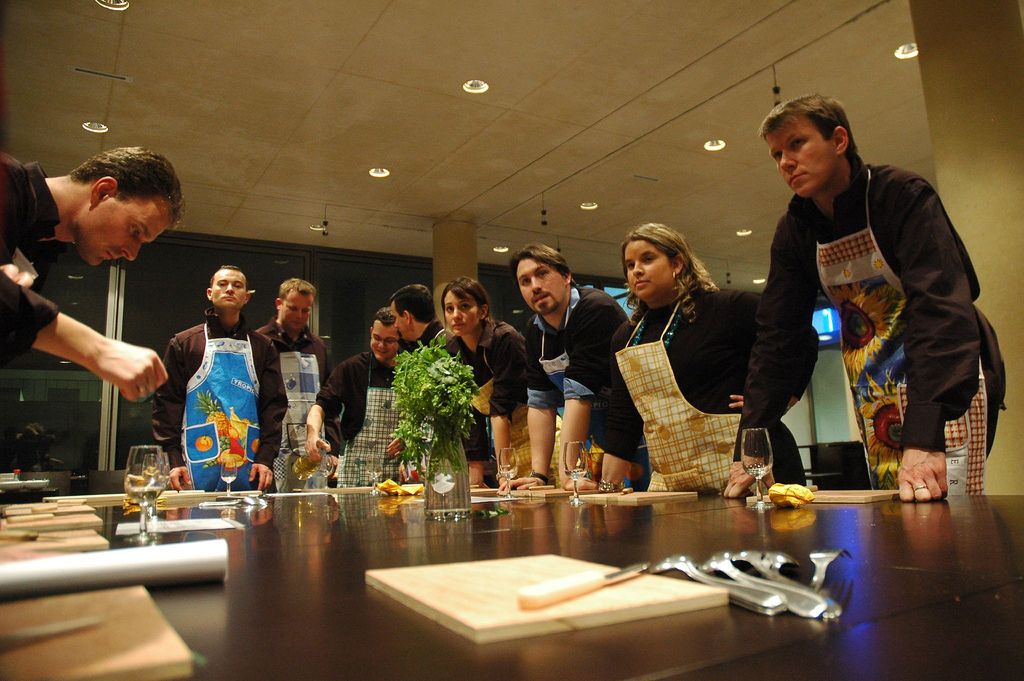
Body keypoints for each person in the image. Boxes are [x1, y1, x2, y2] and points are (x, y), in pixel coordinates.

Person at [735, 94, 1005, 503]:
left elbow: (942, 312)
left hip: (942, 387)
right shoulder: (795, 230)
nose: (785, 162)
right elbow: (777, 337)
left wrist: (926, 431)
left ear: (839, 140)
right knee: (896, 519)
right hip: (871, 392)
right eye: (776, 154)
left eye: (796, 144)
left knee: (950, 522)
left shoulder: (900, 196)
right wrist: (752, 442)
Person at [600, 224, 813, 493]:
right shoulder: (625, 338)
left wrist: (776, 401)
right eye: (629, 265)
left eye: (647, 259)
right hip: (677, 489)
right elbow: (623, 418)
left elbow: (800, 337)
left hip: (755, 475)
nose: (636, 270)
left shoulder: (727, 309)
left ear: (677, 263)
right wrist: (606, 490)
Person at [1, 148, 182, 399]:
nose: (132, 254)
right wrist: (99, 350)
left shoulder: (41, 250)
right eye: (136, 231)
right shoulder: (5, 180)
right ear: (103, 191)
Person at [152, 266, 286, 492]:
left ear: (246, 297)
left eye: (237, 285)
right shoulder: (184, 344)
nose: (230, 289)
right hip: (191, 466)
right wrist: (173, 460)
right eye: (222, 284)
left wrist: (265, 458)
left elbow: (273, 408)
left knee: (253, 527)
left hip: (252, 465)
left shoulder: (263, 347)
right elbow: (166, 405)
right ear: (209, 292)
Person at [508, 244, 628, 490]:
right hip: (590, 436)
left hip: (629, 432)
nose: (535, 286)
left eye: (542, 274)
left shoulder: (595, 308)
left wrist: (567, 473)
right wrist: (539, 475)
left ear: (566, 276)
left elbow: (578, 392)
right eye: (525, 281)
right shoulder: (534, 330)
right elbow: (541, 402)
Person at [442, 277, 530, 487]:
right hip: (503, 441)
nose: (455, 315)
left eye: (464, 306)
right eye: (449, 308)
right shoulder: (452, 350)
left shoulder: (505, 339)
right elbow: (470, 415)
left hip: (532, 432)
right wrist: (476, 474)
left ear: (483, 311)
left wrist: (503, 472)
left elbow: (500, 408)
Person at [256, 277, 340, 491]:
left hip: (310, 445)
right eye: (293, 308)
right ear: (279, 304)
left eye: (306, 310)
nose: (299, 316)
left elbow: (328, 400)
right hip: (270, 447)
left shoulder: (318, 347)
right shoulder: (260, 341)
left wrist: (334, 447)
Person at [305, 307, 403, 487]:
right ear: (371, 332)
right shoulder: (352, 368)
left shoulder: (410, 371)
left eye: (389, 341)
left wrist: (409, 439)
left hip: (398, 474)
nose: (381, 346)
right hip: (355, 474)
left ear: (400, 339)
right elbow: (320, 406)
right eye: (377, 338)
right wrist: (312, 434)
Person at [387, 284, 445, 352]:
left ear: (406, 317)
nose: (395, 325)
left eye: (395, 318)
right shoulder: (411, 345)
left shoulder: (446, 347)